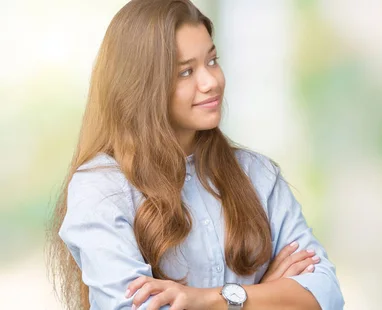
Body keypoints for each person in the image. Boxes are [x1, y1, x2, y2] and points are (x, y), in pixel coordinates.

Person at [45, 0, 344, 309]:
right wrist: (262, 294)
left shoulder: (258, 174)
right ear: (142, 86)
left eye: (212, 61)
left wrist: (206, 300)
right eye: (186, 72)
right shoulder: (101, 189)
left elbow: (326, 292)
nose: (211, 81)